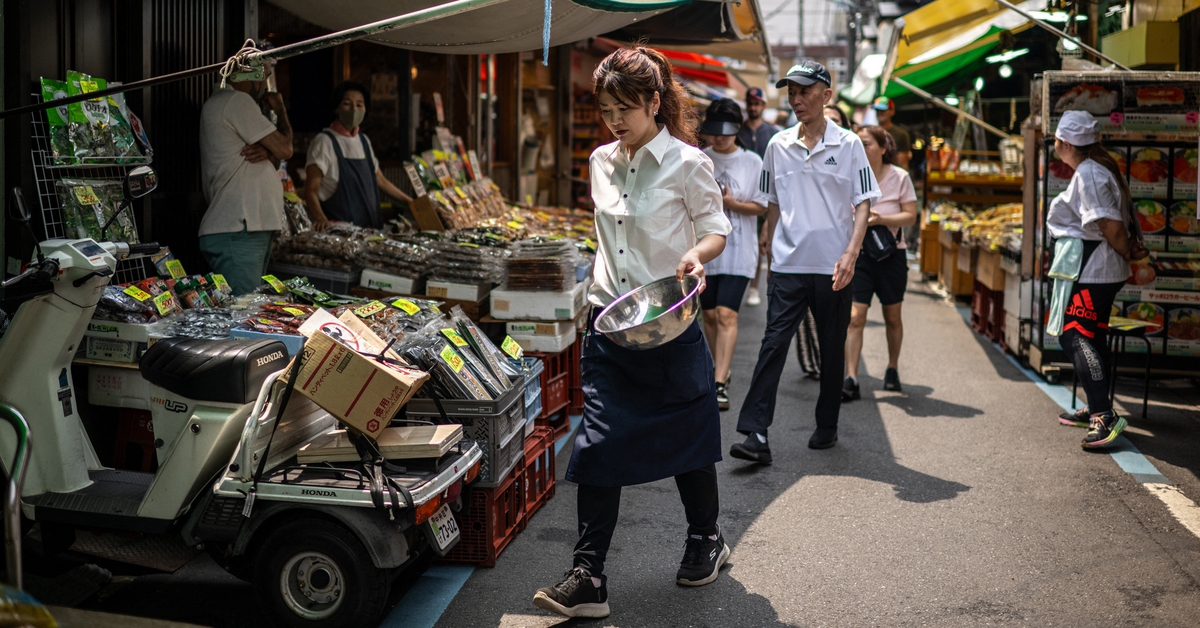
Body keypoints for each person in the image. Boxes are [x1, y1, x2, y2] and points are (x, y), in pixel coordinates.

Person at [532, 46, 732, 619]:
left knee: (689, 440)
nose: (614, 119)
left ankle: (705, 539)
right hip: (609, 325)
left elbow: (716, 229)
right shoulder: (599, 161)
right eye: (605, 108)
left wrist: (695, 255)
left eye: (625, 107)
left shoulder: (689, 163)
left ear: (653, 101)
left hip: (667, 322)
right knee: (597, 445)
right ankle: (588, 575)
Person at [729, 60, 879, 464]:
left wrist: (851, 252)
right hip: (788, 265)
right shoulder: (778, 145)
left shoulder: (848, 145)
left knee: (832, 349)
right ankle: (756, 433)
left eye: (805, 91)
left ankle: (827, 424)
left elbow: (865, 204)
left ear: (826, 95)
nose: (796, 99)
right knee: (772, 344)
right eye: (791, 92)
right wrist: (767, 234)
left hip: (834, 267)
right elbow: (773, 201)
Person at [1046, 110, 1147, 449]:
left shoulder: (1089, 173)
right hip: (1095, 267)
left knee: (1073, 335)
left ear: (1064, 144)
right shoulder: (1097, 168)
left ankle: (1103, 415)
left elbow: (1112, 227)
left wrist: (1125, 253)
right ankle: (1095, 403)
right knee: (1093, 335)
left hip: (1094, 270)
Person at [698, 99, 769, 411]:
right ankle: (717, 369)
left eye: (726, 133)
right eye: (714, 132)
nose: (719, 138)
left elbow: (762, 206)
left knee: (727, 314)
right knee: (710, 316)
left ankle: (720, 381)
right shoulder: (699, 159)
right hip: (706, 250)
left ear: (737, 130)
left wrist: (732, 204)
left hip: (740, 250)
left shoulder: (753, 162)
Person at [198, 63, 292, 295]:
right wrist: (281, 111)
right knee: (244, 315)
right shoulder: (236, 101)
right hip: (240, 227)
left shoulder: (227, 104)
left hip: (246, 228)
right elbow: (286, 149)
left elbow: (276, 157)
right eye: (265, 77)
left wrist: (268, 152)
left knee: (251, 310)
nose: (265, 86)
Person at [842, 126, 918, 399]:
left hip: (891, 256)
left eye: (867, 144)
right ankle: (851, 376)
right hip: (859, 254)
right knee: (855, 317)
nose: (862, 149)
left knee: (892, 316)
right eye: (858, 144)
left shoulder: (900, 177)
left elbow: (910, 216)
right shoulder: (850, 176)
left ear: (884, 148)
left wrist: (881, 218)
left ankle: (892, 368)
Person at [793, 103, 856, 381]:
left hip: (841, 245)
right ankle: (812, 362)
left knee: (834, 314)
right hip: (804, 246)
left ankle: (833, 365)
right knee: (805, 310)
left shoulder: (850, 152)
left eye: (835, 120)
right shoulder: (794, 150)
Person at [304, 81, 412, 230]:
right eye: (347, 103)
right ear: (336, 108)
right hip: (340, 233)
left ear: (365, 110)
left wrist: (411, 202)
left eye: (359, 105)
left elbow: (380, 180)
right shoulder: (324, 142)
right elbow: (311, 190)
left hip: (370, 232)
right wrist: (321, 218)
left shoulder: (364, 141)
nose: (354, 109)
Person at [739, 87, 782, 308]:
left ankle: (756, 287)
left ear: (764, 106)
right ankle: (742, 284)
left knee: (762, 243)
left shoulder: (774, 132)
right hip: (742, 196)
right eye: (751, 103)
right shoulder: (738, 131)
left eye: (757, 104)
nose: (754, 107)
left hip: (768, 196)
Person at [872, 97, 912, 170]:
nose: (879, 112)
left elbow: (903, 165)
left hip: (892, 177)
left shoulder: (901, 134)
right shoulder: (870, 133)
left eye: (883, 110)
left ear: (892, 111)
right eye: (877, 110)